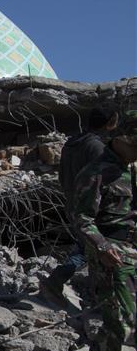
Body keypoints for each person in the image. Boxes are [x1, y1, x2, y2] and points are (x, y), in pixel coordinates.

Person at [71, 124, 137, 351]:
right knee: (122, 320)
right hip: (112, 255)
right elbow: (83, 219)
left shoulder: (131, 170)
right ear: (120, 139)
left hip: (133, 250)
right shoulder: (96, 173)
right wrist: (102, 247)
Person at [41, 106, 119, 306]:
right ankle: (59, 281)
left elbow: (62, 175)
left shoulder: (71, 143)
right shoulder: (96, 147)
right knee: (93, 248)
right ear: (110, 123)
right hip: (90, 206)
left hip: (72, 202)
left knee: (86, 247)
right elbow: (104, 180)